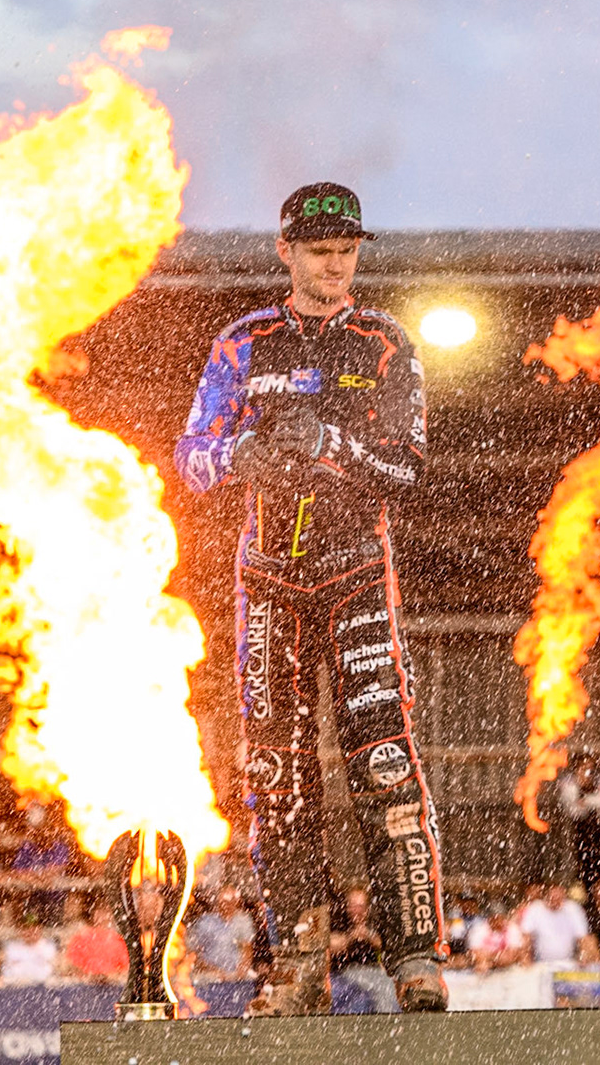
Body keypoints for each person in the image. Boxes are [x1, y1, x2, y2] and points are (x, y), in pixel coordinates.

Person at [175, 182, 446, 1015]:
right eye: (320, 248)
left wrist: (332, 444)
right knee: (276, 776)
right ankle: (293, 968)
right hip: (269, 583)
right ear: (285, 250)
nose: (335, 262)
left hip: (358, 574)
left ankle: (416, 959)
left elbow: (409, 470)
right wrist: (239, 454)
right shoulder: (241, 343)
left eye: (347, 247)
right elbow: (188, 457)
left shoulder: (387, 342)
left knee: (386, 759)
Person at [331, 887, 399, 1013]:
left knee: (385, 985)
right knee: (379, 987)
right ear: (347, 907)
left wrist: (369, 936)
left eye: (361, 906)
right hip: (346, 971)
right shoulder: (340, 922)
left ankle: (390, 1021)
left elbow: (385, 944)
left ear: (367, 909)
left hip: (374, 970)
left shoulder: (374, 923)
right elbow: (330, 944)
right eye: (354, 906)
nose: (358, 911)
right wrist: (350, 937)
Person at [188, 887, 256, 982]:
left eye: (231, 901)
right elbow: (195, 953)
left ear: (237, 902)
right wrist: (213, 970)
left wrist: (241, 971)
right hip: (210, 975)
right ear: (218, 902)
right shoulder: (206, 922)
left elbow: (247, 949)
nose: (227, 905)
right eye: (224, 901)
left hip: (236, 975)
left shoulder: (243, 921)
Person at [518, 881, 590, 965]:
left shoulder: (573, 909)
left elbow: (583, 938)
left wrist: (583, 955)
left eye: (559, 899)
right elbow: (526, 938)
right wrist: (526, 960)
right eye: (553, 899)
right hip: (541, 964)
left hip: (568, 963)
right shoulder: (535, 909)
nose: (556, 902)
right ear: (546, 897)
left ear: (564, 897)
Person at [64, 898, 129, 984]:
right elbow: (71, 966)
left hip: (112, 989)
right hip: (84, 987)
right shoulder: (81, 938)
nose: (103, 916)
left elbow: (125, 969)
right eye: (100, 911)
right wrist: (89, 976)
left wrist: (110, 976)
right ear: (94, 913)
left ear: (112, 914)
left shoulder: (119, 941)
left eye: (106, 911)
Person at [0, 915, 58, 984]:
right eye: (26, 928)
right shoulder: (11, 948)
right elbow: (4, 974)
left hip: (44, 989)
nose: (30, 932)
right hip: (15, 989)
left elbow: (56, 974)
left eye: (33, 928)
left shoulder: (50, 948)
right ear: (20, 930)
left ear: (40, 929)